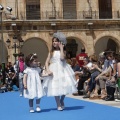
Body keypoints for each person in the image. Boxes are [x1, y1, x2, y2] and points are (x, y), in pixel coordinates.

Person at [44, 32, 77, 111]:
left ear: (60, 42)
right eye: (53, 41)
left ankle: (62, 99)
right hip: (54, 70)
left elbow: (62, 58)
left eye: (56, 41)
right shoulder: (51, 52)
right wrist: (48, 70)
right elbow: (46, 62)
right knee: (55, 87)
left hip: (63, 69)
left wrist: (62, 48)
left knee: (66, 85)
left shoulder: (64, 51)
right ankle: (58, 104)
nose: (54, 43)